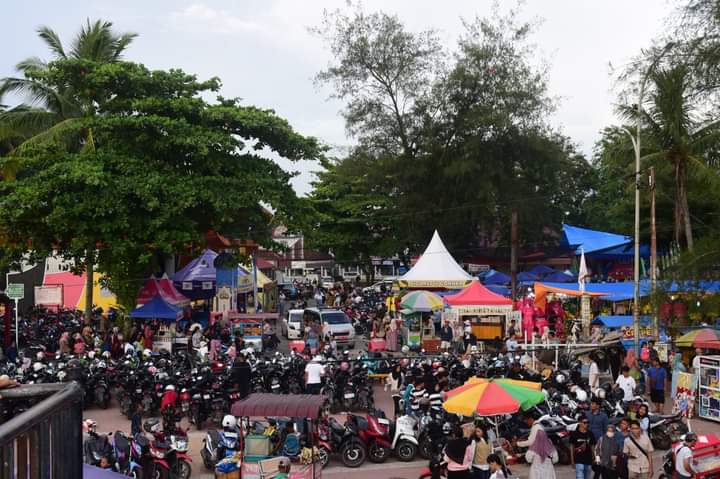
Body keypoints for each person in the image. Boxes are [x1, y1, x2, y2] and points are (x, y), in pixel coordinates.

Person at [570, 415, 596, 479]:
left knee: (587, 476)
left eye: (587, 422)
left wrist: (594, 456)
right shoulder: (574, 434)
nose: (586, 424)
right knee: (579, 476)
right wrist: (572, 460)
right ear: (580, 423)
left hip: (588, 459)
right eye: (584, 422)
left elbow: (592, 446)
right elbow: (571, 448)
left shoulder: (590, 433)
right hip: (578, 459)